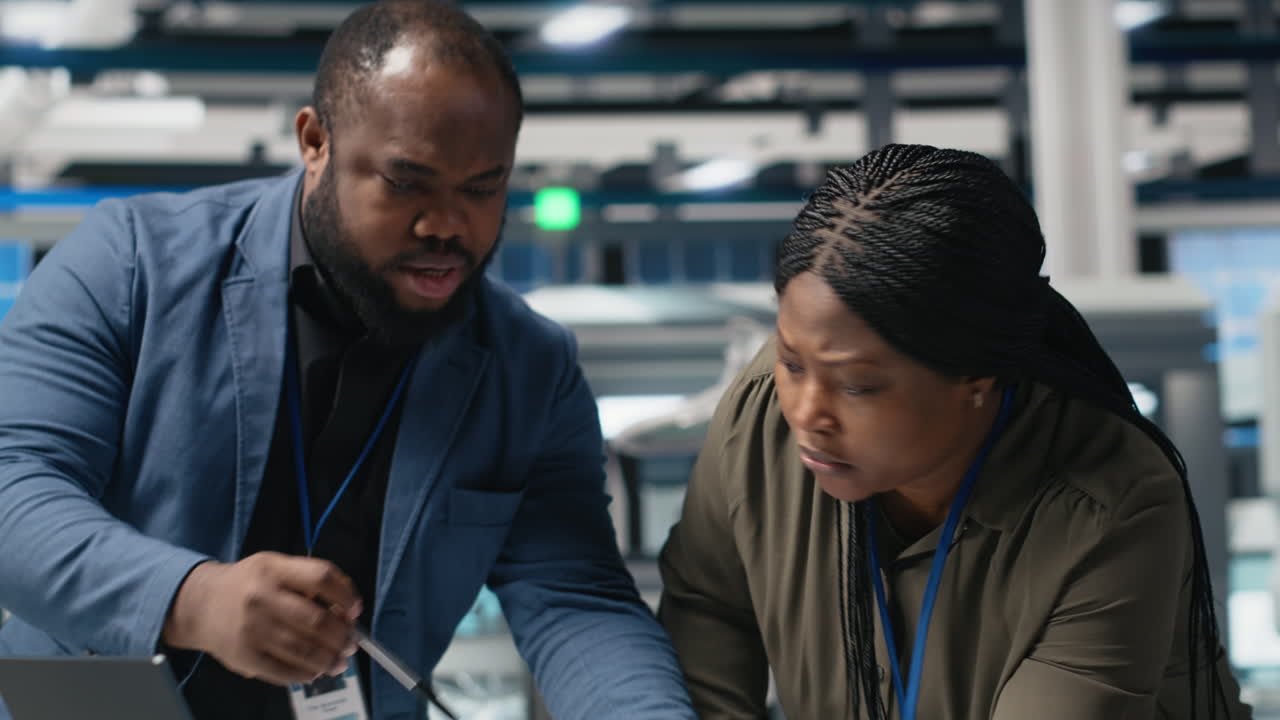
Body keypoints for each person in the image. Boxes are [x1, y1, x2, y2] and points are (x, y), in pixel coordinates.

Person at [0, 2, 695, 719]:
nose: (445, 225)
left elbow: (575, 599)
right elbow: (12, 489)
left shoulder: (529, 371)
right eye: (406, 181)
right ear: (315, 141)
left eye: (482, 188)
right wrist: (192, 597)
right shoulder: (131, 265)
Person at [658, 143, 1253, 719]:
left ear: (974, 376)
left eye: (858, 385)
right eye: (791, 363)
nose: (806, 411)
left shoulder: (1108, 504)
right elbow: (707, 607)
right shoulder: (759, 416)